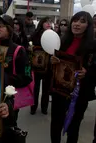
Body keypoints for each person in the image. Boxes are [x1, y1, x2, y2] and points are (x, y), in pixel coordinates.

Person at [50, 11, 96, 143]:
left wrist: (87, 73)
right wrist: (52, 61)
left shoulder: (93, 46)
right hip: (60, 90)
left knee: (73, 127)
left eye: (82, 21)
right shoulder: (63, 41)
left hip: (79, 93)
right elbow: (55, 65)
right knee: (56, 124)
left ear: (88, 25)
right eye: (75, 21)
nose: (77, 24)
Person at [0, 14, 32, 127]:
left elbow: (27, 76)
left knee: (7, 130)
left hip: (9, 101)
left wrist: (4, 78)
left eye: (0, 25)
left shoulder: (19, 50)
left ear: (9, 29)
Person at [30, 17, 52, 115]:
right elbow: (30, 46)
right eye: (46, 22)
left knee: (46, 90)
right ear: (42, 23)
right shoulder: (35, 34)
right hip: (37, 66)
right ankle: (33, 107)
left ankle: (44, 107)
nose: (48, 24)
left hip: (49, 67)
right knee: (35, 88)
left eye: (50, 22)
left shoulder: (54, 35)